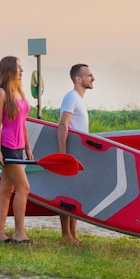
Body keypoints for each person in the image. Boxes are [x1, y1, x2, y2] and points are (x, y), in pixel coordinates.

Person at [0, 56, 33, 244]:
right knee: (24, 187)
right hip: (7, 146)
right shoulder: (1, 93)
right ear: (9, 69)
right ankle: (18, 233)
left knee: (7, 190)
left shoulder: (19, 93)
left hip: (18, 147)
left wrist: (28, 147)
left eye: (22, 67)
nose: (22, 71)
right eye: (18, 67)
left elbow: (22, 123)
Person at [57, 63, 95, 243]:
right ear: (78, 79)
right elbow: (63, 124)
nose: (92, 78)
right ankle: (66, 235)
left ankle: (73, 234)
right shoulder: (71, 97)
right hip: (70, 152)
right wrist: (63, 153)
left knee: (76, 192)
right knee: (67, 191)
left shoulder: (79, 99)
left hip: (79, 152)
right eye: (89, 75)